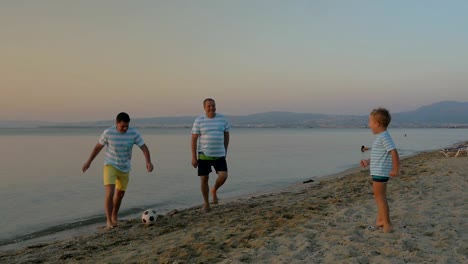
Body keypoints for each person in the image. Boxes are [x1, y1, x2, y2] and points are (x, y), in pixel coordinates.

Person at [82, 112, 154, 229]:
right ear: (116, 123)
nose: (125, 128)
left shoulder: (133, 133)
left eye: (127, 126)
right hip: (110, 165)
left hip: (125, 167)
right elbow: (97, 147)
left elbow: (144, 147)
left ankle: (114, 216)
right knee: (110, 192)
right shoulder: (108, 133)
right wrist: (88, 162)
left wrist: (148, 162)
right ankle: (109, 220)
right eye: (122, 126)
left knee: (120, 194)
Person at [360, 108, 400, 233]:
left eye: (370, 122)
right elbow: (380, 155)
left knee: (380, 198)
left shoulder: (384, 137)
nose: (369, 125)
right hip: (379, 171)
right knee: (379, 197)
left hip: (380, 172)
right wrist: (368, 161)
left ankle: (387, 224)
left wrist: (396, 169)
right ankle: (380, 220)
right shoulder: (382, 137)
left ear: (377, 123)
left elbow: (394, 151)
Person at [191, 98, 230, 212]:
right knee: (204, 179)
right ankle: (206, 203)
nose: (211, 108)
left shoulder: (222, 119)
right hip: (204, 155)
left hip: (219, 154)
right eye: (209, 106)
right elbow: (193, 139)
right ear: (204, 108)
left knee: (223, 176)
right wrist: (194, 157)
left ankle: (214, 190)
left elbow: (226, 135)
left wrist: (225, 150)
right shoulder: (199, 120)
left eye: (213, 105)